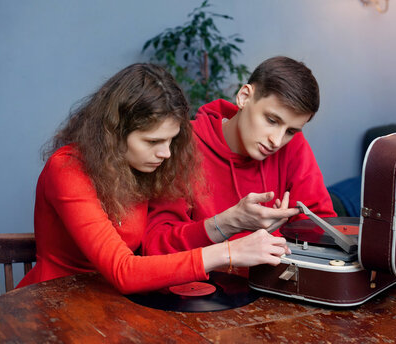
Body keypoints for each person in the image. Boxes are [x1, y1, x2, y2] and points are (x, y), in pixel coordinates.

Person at [16, 63, 290, 294]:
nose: (166, 153)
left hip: (110, 305)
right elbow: (123, 270)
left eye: (171, 140)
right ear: (113, 132)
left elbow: (154, 250)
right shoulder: (66, 168)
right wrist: (228, 252)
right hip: (53, 302)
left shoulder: (142, 168)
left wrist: (229, 222)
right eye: (152, 141)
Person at [143, 56, 336, 256]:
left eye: (290, 131)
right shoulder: (182, 144)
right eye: (271, 120)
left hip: (272, 282)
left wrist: (289, 232)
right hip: (207, 285)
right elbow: (156, 246)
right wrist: (228, 224)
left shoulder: (293, 145)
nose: (277, 141)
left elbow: (321, 226)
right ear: (244, 97)